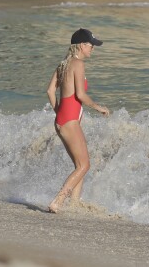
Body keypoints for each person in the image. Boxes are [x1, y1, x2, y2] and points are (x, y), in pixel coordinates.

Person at [47, 28, 110, 213]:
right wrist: (99, 107)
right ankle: (58, 201)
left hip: (62, 119)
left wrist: (59, 112)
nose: (93, 49)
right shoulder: (78, 64)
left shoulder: (63, 64)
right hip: (69, 120)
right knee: (84, 165)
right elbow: (81, 95)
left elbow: (50, 91)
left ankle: (74, 203)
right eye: (91, 45)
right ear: (82, 45)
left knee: (79, 165)